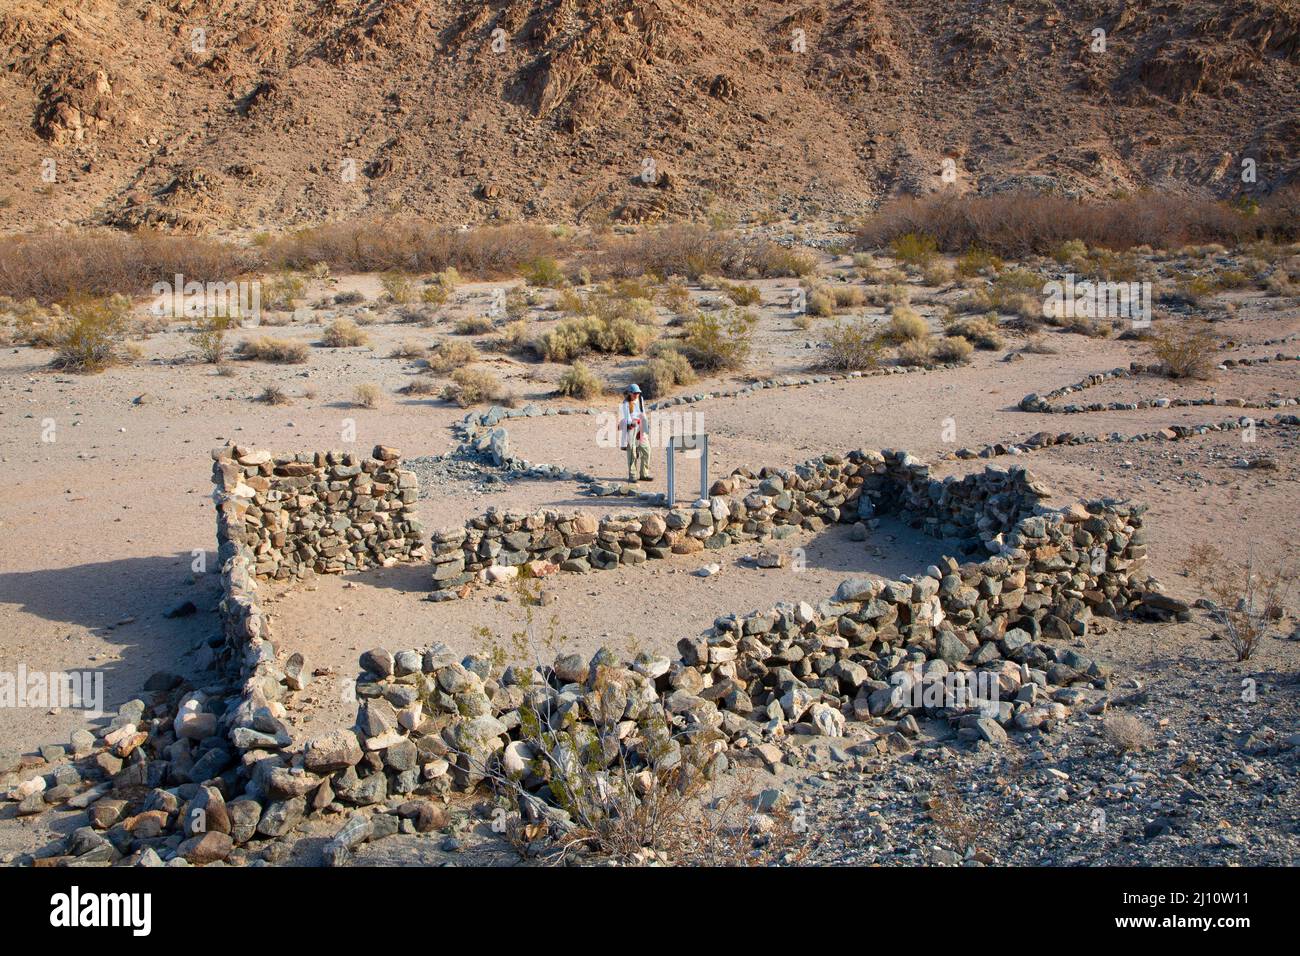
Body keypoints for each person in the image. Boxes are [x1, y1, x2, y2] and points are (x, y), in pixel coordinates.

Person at [619, 384, 653, 482]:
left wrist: (645, 426)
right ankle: (632, 475)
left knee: (646, 450)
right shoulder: (626, 403)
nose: (636, 395)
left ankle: (644, 474)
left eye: (638, 393)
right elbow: (627, 418)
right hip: (631, 428)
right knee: (632, 452)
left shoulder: (640, 399)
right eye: (634, 393)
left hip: (641, 427)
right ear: (630, 393)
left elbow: (643, 413)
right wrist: (633, 424)